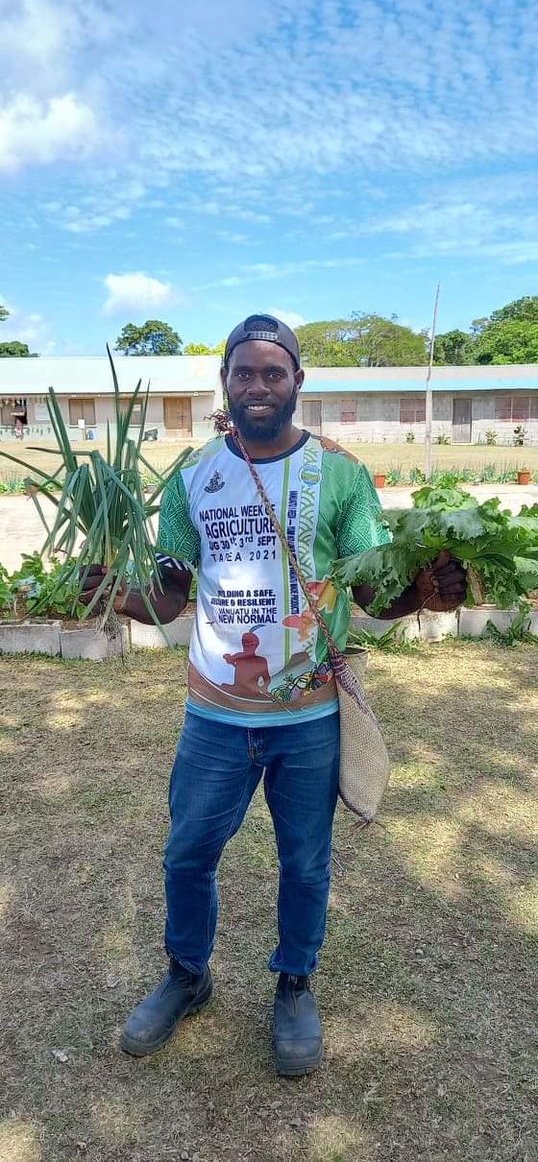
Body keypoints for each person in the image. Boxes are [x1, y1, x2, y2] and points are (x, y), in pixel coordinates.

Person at [82, 313, 466, 1076]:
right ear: (224, 381)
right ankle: (187, 974)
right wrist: (114, 595)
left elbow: (370, 592)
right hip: (214, 715)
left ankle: (294, 984)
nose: (257, 386)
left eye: (273, 372)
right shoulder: (192, 478)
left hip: (309, 716)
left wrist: (423, 594)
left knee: (306, 863)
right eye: (243, 372)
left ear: (297, 381)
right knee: (187, 853)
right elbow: (171, 596)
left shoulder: (342, 475)